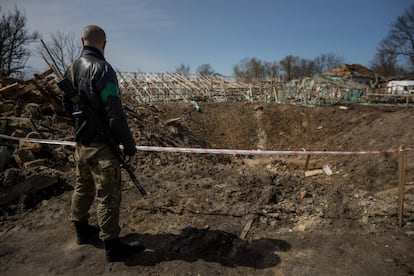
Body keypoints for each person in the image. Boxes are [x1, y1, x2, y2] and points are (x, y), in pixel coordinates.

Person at [61, 25, 143, 262]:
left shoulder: (72, 69)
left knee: (83, 186)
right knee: (108, 195)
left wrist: (82, 126)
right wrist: (129, 147)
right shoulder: (103, 69)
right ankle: (112, 246)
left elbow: (67, 107)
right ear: (104, 44)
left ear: (82, 40)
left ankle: (81, 230)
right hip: (102, 147)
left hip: (82, 143)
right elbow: (115, 115)